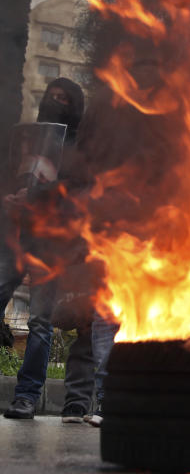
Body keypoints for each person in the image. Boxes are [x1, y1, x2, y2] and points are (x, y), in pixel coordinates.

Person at [1, 78, 94, 422]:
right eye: (52, 97)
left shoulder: (77, 148)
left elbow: (76, 190)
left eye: (65, 99)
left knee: (40, 322)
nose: (57, 102)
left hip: (50, 243)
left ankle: (26, 396)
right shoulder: (24, 140)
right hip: (14, 235)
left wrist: (39, 196)